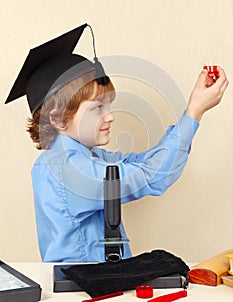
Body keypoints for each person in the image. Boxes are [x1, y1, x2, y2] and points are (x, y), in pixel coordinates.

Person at [5, 24, 228, 262]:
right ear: (58, 118)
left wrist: (192, 111)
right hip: (83, 289)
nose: (110, 115)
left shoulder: (86, 157)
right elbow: (153, 175)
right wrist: (194, 111)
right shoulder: (68, 170)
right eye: (98, 107)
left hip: (99, 283)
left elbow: (149, 161)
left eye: (109, 104)